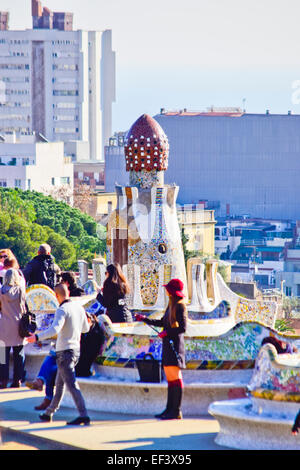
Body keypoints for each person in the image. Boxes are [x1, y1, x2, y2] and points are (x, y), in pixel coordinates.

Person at [27, 283, 91, 425]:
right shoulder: (78, 308)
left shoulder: (62, 310)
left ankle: (83, 415)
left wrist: (36, 337)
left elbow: (54, 330)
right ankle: (49, 413)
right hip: (75, 351)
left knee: (72, 385)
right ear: (68, 292)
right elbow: (85, 329)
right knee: (59, 384)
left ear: (56, 296)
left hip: (64, 352)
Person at [135, 278, 187, 420]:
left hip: (174, 346)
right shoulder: (171, 305)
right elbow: (162, 323)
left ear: (172, 292)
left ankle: (175, 411)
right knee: (170, 379)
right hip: (168, 345)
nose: (166, 291)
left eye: (167, 289)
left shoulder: (180, 306)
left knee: (175, 378)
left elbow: (183, 328)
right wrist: (144, 319)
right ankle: (169, 409)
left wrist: (167, 333)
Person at [0, 268, 27, 388]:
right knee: (19, 354)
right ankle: (18, 380)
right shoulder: (21, 290)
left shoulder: (1, 291)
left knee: (2, 355)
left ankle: (3, 380)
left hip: (4, 325)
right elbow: (23, 308)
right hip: (18, 325)